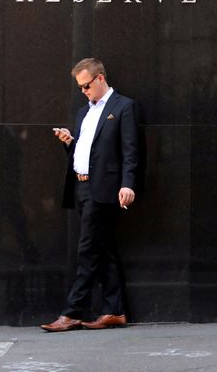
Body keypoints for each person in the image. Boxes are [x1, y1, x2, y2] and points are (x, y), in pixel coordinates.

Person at [41, 58, 139, 332]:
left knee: (87, 251)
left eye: (86, 85)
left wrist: (127, 184)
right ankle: (114, 311)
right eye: (80, 87)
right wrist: (70, 143)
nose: (83, 91)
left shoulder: (124, 107)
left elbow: (130, 151)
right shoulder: (84, 112)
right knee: (103, 249)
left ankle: (72, 312)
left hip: (104, 190)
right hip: (81, 187)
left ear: (99, 79)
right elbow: (88, 151)